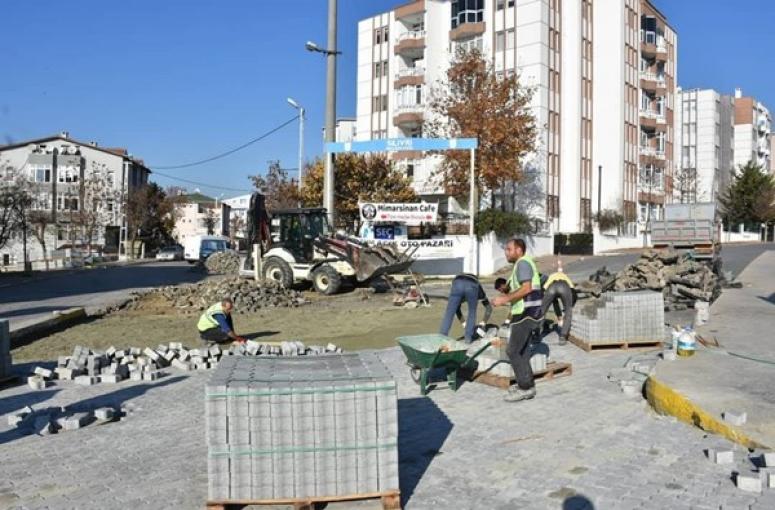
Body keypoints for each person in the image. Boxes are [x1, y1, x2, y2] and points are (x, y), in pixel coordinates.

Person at [492, 238, 544, 403]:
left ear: (519, 250)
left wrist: (505, 299)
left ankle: (525, 388)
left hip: (525, 313)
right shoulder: (520, 265)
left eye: (509, 249)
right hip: (527, 312)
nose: (506, 252)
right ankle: (527, 383)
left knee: (512, 351)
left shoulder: (522, 264)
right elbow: (520, 287)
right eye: (506, 249)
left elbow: (526, 288)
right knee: (522, 351)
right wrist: (507, 292)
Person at [439, 273, 493, 344]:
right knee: (472, 312)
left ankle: (441, 338)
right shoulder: (479, 290)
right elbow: (489, 308)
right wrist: (483, 323)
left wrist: (464, 324)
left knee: (449, 313)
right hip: (472, 284)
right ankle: (468, 339)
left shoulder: (458, 293)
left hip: (457, 282)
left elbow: (456, 309)